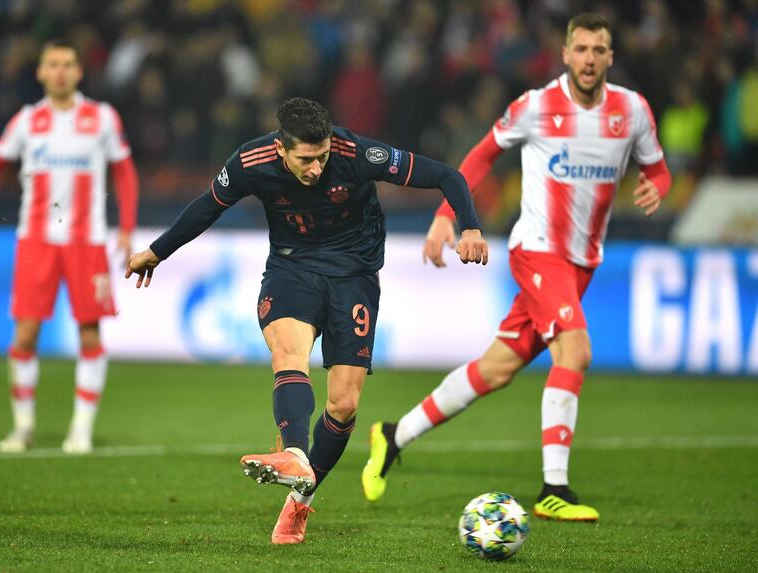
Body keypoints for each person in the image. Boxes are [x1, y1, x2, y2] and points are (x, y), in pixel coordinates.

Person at [125, 97, 489, 544]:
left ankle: (299, 502)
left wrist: (469, 225)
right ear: (281, 150)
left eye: (322, 157)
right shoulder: (250, 162)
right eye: (305, 159)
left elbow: (446, 176)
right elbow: (206, 207)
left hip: (354, 275)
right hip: (291, 268)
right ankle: (294, 451)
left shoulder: (355, 154)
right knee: (288, 352)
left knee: (344, 404)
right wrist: (156, 252)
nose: (316, 167)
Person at [361, 13, 672, 522]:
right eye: (581, 49)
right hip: (537, 250)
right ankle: (554, 488)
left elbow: (657, 169)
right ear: (566, 54)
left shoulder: (632, 111)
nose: (590, 59)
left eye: (599, 50)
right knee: (575, 350)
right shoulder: (537, 106)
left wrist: (654, 187)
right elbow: (481, 157)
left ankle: (394, 435)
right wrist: (446, 217)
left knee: (496, 369)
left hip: (582, 262)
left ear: (610, 57)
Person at [0, 40, 139, 455]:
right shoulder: (27, 120)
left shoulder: (102, 118)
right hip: (36, 240)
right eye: (52, 65)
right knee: (24, 334)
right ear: (40, 72)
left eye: (68, 64)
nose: (60, 71)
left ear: (79, 72)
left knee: (89, 331)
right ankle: (22, 427)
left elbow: (125, 173)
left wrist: (126, 229)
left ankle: (81, 429)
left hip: (87, 241)